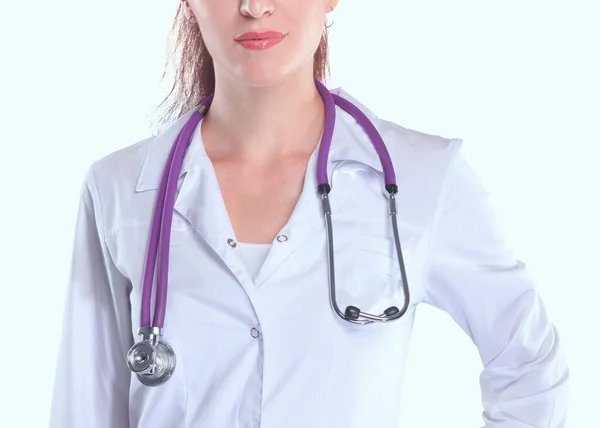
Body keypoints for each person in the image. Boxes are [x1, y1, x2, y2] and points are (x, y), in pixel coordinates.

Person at [49, 0, 569, 427]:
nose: (254, 7)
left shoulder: (423, 179)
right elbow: (84, 409)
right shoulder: (120, 189)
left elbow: (529, 365)